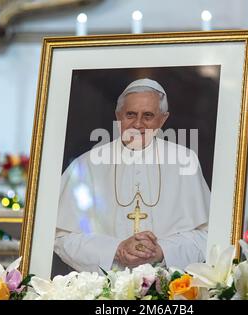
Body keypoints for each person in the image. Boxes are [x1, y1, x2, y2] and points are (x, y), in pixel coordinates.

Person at [54, 78, 210, 273]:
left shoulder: (185, 161)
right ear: (118, 116)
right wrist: (115, 249)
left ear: (162, 119)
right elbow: (62, 237)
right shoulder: (88, 164)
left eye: (148, 115)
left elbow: (207, 236)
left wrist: (163, 251)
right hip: (103, 289)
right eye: (130, 114)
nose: (138, 123)